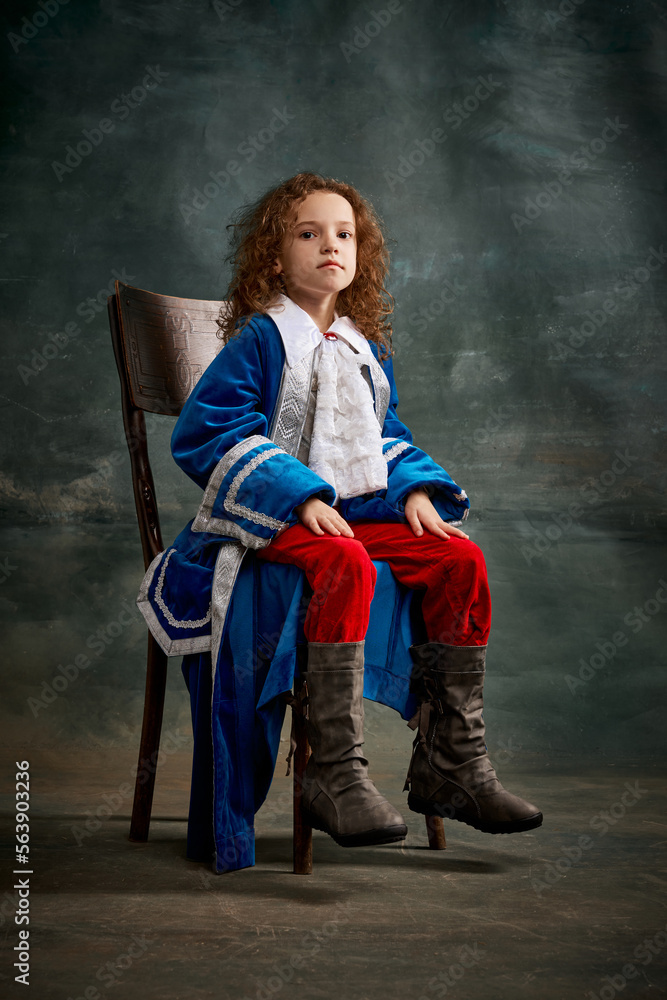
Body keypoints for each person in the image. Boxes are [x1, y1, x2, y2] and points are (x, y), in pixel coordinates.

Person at [137, 172, 542, 873]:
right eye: (309, 233)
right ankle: (333, 772)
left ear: (361, 254)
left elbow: (383, 439)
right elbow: (208, 434)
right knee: (344, 561)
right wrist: (296, 495)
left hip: (344, 517)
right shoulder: (259, 340)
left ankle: (452, 761)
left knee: (458, 559)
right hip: (257, 526)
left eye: (345, 234)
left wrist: (413, 491)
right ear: (273, 257)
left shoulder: (364, 349)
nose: (331, 245)